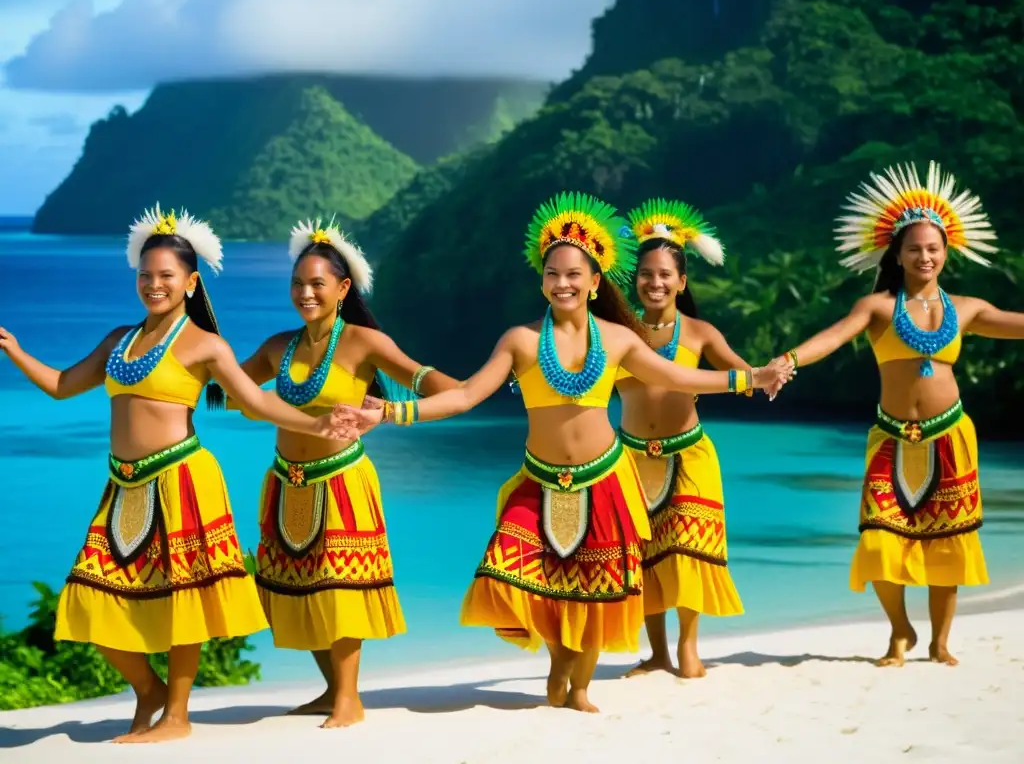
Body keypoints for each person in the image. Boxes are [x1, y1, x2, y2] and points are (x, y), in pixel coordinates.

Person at [331, 192, 793, 713]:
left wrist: (749, 377)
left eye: (574, 274)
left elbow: (678, 375)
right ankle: (556, 664)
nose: (563, 283)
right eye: (553, 273)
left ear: (596, 282)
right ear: (542, 279)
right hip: (540, 479)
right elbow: (463, 395)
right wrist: (389, 415)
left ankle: (579, 689)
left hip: (606, 480)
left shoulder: (619, 339)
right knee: (523, 574)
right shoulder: (521, 342)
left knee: (599, 586)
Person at [0, 205, 353, 743]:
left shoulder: (205, 346)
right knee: (88, 595)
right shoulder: (120, 338)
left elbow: (256, 401)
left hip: (182, 480)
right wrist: (16, 351)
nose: (153, 284)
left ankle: (178, 717)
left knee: (181, 598)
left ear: (190, 282)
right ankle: (151, 692)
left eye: (166, 276)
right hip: (122, 485)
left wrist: (319, 422)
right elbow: (63, 384)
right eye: (145, 275)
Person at [778, 161, 1022, 667]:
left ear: (947, 251)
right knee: (880, 540)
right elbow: (833, 337)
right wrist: (789, 360)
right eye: (915, 248)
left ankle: (940, 642)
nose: (925, 256)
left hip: (950, 435)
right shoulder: (879, 308)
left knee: (948, 543)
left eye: (933, 248)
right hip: (891, 438)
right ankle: (899, 632)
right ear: (897, 253)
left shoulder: (969, 308)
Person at [231, 218, 460, 728]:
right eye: (297, 283)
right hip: (286, 482)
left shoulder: (363, 342)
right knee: (298, 587)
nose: (305, 293)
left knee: (338, 587)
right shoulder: (277, 347)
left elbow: (435, 384)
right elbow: (227, 393)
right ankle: (333, 689)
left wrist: (410, 408)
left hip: (341, 481)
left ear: (342, 288)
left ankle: (350, 700)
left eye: (317, 284)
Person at [614, 199, 746, 680]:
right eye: (646, 274)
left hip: (689, 454)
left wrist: (770, 374)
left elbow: (740, 374)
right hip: (629, 456)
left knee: (688, 549)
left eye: (666, 274)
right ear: (636, 279)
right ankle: (656, 654)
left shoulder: (700, 332)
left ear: (682, 281)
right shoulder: (615, 334)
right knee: (644, 555)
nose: (655, 282)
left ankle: (689, 647)